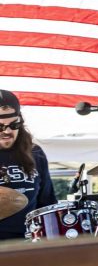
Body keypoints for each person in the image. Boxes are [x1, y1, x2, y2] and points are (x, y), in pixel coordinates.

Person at [0, 90, 56, 241]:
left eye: (14, 124)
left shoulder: (35, 153)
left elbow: (47, 203)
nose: (8, 131)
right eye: (1, 126)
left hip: (28, 245)